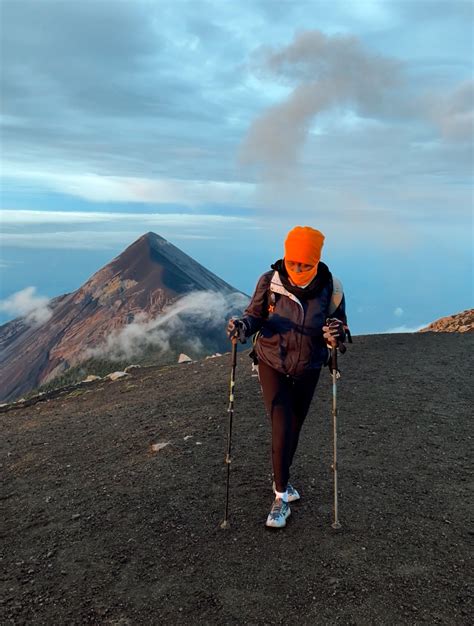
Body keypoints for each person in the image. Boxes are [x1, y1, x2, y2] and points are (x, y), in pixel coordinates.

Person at [226, 226, 347, 528]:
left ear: (317, 261)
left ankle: (283, 479)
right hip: (271, 361)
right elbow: (254, 316)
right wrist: (242, 326)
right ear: (286, 257)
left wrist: (335, 335)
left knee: (293, 427)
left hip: (308, 366)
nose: (297, 269)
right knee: (281, 425)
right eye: (293, 262)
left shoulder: (330, 288)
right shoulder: (269, 281)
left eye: (305, 264)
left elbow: (340, 328)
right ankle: (280, 497)